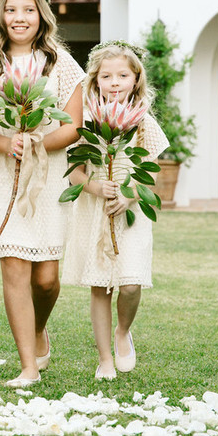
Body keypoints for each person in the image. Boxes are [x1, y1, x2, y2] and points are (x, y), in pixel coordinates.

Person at [0, 0, 83, 387]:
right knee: (15, 269)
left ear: (41, 15)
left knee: (47, 279)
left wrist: (36, 143)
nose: (20, 17)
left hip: (48, 175)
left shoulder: (60, 63)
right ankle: (28, 366)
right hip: (2, 177)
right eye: (11, 9)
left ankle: (38, 329)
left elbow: (74, 126)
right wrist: (7, 144)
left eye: (28, 9)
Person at [62, 40, 169, 381]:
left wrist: (128, 195)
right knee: (100, 286)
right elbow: (75, 172)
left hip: (130, 212)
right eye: (106, 76)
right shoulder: (86, 121)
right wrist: (95, 187)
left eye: (123, 75)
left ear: (136, 79)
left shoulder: (143, 123)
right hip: (94, 212)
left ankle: (123, 331)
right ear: (95, 80)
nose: (114, 83)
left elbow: (151, 174)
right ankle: (105, 358)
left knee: (131, 283)